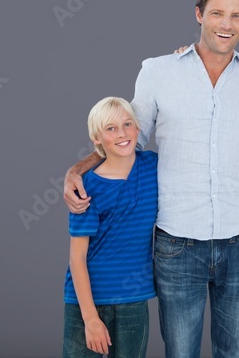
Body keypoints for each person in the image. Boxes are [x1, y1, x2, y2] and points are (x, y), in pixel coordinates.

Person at [64, 0, 239, 358]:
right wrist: (78, 170)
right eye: (217, 13)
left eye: (236, 16)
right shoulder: (158, 71)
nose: (226, 24)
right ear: (198, 15)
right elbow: (127, 141)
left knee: (235, 353)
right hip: (178, 243)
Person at [63, 97, 158, 358]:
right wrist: (91, 319)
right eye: (111, 129)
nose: (122, 133)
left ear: (138, 129)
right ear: (96, 138)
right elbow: (77, 257)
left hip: (133, 299)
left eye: (128, 124)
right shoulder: (86, 187)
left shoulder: (154, 167)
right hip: (87, 301)